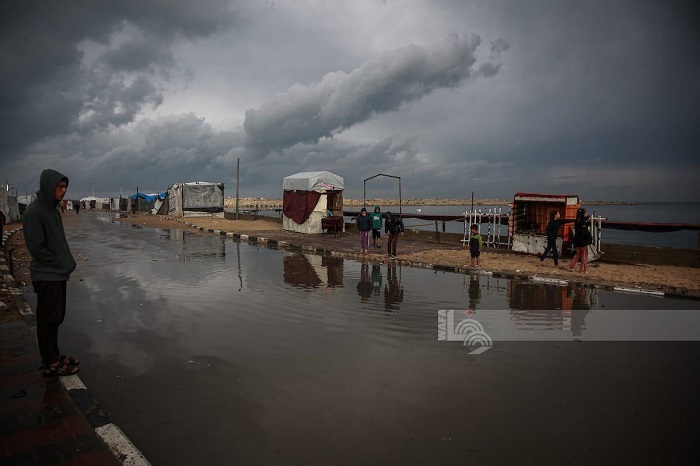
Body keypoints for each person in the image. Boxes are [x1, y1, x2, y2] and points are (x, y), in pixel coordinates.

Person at [23, 169, 79, 377]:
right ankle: (50, 362)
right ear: (49, 186)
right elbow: (36, 248)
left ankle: (54, 355)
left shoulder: (52, 209)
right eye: (60, 187)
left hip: (56, 274)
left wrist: (63, 266)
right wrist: (58, 263)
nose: (64, 191)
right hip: (46, 275)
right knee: (47, 320)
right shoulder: (35, 212)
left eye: (65, 187)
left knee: (56, 318)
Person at [567, 208, 593, 273]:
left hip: (577, 239)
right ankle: (582, 269)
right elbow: (584, 232)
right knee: (584, 254)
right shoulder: (583, 222)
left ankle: (571, 266)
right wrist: (589, 237)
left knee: (578, 253)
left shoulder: (577, 220)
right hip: (583, 240)